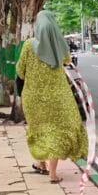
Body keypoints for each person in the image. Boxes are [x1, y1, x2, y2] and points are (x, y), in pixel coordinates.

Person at [16, 10, 87, 183]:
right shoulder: (59, 46)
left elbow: (19, 70)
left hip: (33, 98)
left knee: (39, 128)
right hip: (58, 97)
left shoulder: (28, 45)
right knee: (56, 131)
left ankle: (42, 163)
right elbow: (67, 61)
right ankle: (50, 172)